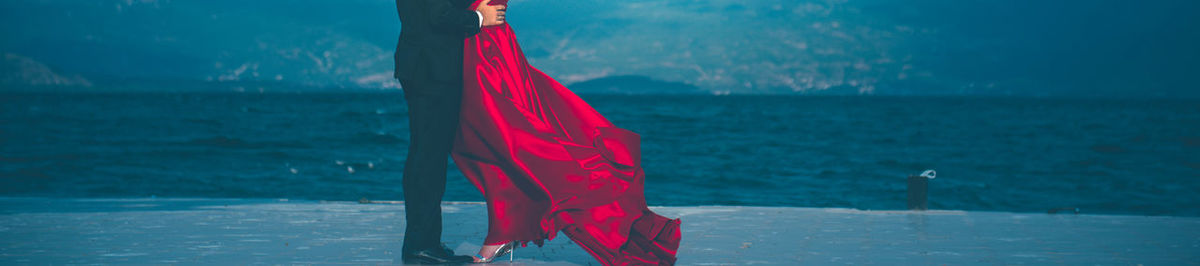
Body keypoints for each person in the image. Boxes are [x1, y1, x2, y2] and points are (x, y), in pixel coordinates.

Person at [451, 0, 682, 264]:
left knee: (512, 142)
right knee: (484, 145)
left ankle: (603, 208)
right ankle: (504, 228)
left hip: (485, 47)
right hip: (474, 43)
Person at [392, 0, 506, 264]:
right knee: (428, 160)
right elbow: (438, 14)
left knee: (425, 157)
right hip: (433, 68)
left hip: (424, 65)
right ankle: (421, 247)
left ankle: (423, 243)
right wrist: (479, 18)